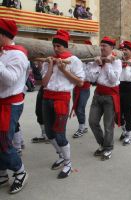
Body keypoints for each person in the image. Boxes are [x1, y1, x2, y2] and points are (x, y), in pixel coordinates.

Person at [41, 30, 85, 179]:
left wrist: (63, 70)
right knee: (49, 132)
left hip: (61, 99)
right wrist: (50, 65)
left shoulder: (74, 60)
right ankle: (60, 155)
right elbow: (44, 83)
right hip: (47, 97)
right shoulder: (50, 59)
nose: (55, 49)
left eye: (59, 46)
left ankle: (68, 163)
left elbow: (80, 82)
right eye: (54, 46)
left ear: (65, 46)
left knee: (59, 134)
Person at [0, 18, 29, 194]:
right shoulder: (3, 52)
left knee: (3, 142)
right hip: (3, 101)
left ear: (3, 35)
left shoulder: (17, 54)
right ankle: (2, 173)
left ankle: (20, 171)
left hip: (10, 104)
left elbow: (10, 79)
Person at [87, 36, 122, 160]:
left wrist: (107, 64)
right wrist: (97, 65)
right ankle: (103, 144)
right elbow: (91, 79)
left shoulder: (117, 62)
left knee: (108, 125)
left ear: (112, 48)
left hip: (110, 96)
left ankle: (108, 148)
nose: (101, 48)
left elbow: (113, 80)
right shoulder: (96, 60)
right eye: (100, 46)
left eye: (104, 46)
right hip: (98, 94)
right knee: (92, 122)